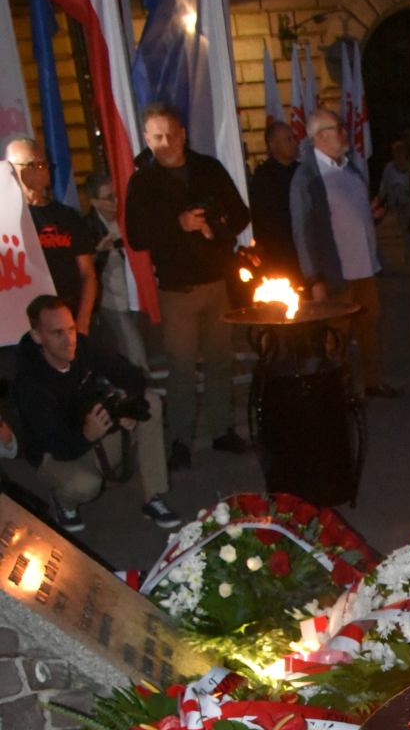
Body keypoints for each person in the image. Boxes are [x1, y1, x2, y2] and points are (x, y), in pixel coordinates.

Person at [124, 102, 250, 471]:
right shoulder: (144, 182)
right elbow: (136, 236)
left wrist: (214, 225)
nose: (164, 144)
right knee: (180, 368)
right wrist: (177, 224)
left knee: (220, 361)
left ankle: (222, 430)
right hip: (177, 288)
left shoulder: (208, 168)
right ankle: (180, 439)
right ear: (147, 139)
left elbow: (240, 214)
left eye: (170, 135)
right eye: (156, 137)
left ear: (183, 134)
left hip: (216, 282)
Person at [13, 295, 180, 533]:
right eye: (57, 333)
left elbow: (130, 373)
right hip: (56, 454)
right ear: (37, 336)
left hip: (90, 431)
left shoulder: (82, 346)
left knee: (149, 403)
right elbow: (57, 445)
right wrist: (87, 435)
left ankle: (153, 496)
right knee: (86, 485)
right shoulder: (30, 382)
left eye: (71, 329)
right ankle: (63, 501)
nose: (68, 340)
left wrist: (129, 406)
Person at [289, 109, 399, 399]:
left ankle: (373, 381)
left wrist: (371, 216)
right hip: (337, 272)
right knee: (337, 334)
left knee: (369, 326)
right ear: (320, 136)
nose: (344, 132)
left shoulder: (349, 169)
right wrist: (314, 279)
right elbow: (303, 231)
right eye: (338, 128)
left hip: (365, 267)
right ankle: (338, 390)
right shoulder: (307, 177)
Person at [6, 137, 97, 336]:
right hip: (23, 322)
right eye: (30, 165)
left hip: (67, 316)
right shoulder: (6, 219)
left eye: (43, 164)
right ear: (10, 170)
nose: (40, 170)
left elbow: (87, 273)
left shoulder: (67, 216)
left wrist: (83, 320)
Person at [82, 172, 149, 370]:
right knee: (133, 349)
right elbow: (83, 268)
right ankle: (142, 381)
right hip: (113, 300)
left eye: (117, 195)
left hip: (139, 294)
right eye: (108, 198)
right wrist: (98, 252)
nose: (115, 202)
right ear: (94, 202)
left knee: (141, 344)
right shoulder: (88, 227)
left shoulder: (128, 218)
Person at [249, 121, 302, 282]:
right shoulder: (264, 178)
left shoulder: (302, 171)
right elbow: (267, 220)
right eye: (288, 139)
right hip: (280, 255)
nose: (294, 143)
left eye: (293, 138)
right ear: (273, 145)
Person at [377, 139, 410, 265]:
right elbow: (384, 184)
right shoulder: (389, 168)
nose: (398, 154)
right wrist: (380, 198)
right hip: (398, 204)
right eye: (396, 152)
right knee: (405, 231)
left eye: (401, 152)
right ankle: (409, 256)